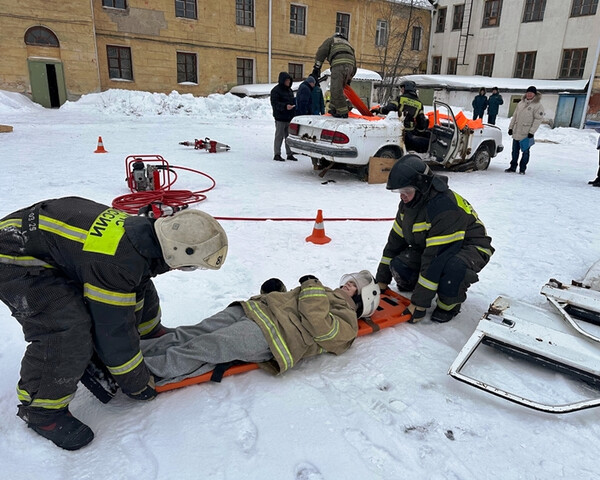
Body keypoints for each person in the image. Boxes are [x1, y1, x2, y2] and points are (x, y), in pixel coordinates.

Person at [0, 197, 228, 450]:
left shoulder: (140, 236)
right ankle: (42, 412)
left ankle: (147, 331)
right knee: (66, 328)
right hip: (12, 257)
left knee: (131, 280)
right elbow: (112, 332)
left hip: (44, 244)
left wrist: (150, 332)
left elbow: (137, 282)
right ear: (177, 251)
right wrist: (136, 382)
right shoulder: (115, 260)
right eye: (190, 267)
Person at [140, 271, 380, 382]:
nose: (347, 284)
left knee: (207, 345)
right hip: (255, 310)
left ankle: (141, 373)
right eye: (349, 281)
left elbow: (319, 326)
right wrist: (276, 292)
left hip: (272, 335)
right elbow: (296, 307)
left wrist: (311, 287)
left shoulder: (348, 323)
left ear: (362, 299)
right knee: (192, 332)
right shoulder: (322, 291)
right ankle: (132, 352)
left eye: (353, 286)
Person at [375, 155, 494, 324]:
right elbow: (394, 244)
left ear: (421, 186)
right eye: (399, 192)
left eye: (406, 191)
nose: (402, 196)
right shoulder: (409, 204)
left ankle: (449, 305)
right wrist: (381, 280)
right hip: (434, 247)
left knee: (452, 268)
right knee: (400, 263)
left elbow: (436, 259)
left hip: (470, 247)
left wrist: (419, 304)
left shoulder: (444, 208)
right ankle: (423, 286)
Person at [370, 80, 430, 153]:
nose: (401, 90)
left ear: (406, 88)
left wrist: (378, 110)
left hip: (398, 130)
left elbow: (389, 108)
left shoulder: (400, 98)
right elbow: (421, 121)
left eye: (402, 88)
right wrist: (420, 132)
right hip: (410, 132)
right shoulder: (419, 104)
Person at [311, 33, 356, 118]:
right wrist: (349, 78)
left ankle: (342, 111)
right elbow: (355, 63)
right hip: (350, 67)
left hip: (338, 65)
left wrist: (317, 67)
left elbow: (321, 52)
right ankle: (334, 108)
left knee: (335, 89)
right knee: (340, 88)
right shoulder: (348, 44)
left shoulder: (331, 40)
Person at [505, 86, 544, 174]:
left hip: (526, 133)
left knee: (525, 152)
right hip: (516, 131)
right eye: (528, 92)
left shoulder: (538, 105)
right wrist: (510, 128)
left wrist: (532, 132)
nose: (529, 94)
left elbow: (538, 120)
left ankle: (522, 169)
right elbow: (515, 116)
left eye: (531, 93)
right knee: (514, 151)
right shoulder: (521, 103)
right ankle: (512, 167)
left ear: (534, 94)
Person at [270, 71, 298, 161]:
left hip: (289, 117)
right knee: (279, 136)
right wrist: (285, 106)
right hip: (280, 118)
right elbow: (275, 104)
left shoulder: (290, 90)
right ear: (282, 80)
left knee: (288, 137)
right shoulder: (275, 90)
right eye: (287, 80)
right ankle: (277, 154)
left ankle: (289, 154)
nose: (288, 82)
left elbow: (292, 101)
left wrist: (294, 106)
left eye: (289, 80)